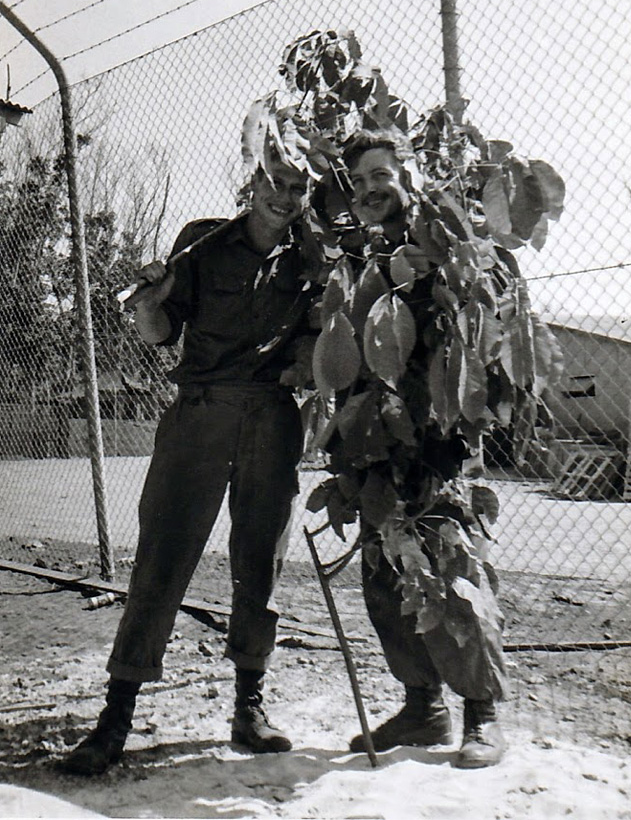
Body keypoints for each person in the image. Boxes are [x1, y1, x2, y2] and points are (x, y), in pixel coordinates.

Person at [61, 153, 314, 776]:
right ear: (251, 184)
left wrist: (307, 363)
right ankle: (115, 717)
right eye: (273, 182)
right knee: (163, 557)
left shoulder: (314, 258)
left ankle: (248, 708)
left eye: (296, 187)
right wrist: (151, 300)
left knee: (262, 561)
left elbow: (313, 343)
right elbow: (156, 332)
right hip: (199, 414)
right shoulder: (202, 243)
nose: (283, 195)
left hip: (272, 418)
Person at [339, 129, 508, 769]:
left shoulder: (442, 239)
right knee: (385, 578)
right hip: (378, 442)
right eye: (357, 181)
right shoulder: (359, 254)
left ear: (407, 174)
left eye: (380, 174)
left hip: (435, 440)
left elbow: (476, 332)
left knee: (453, 576)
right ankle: (422, 707)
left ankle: (483, 715)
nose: (368, 189)